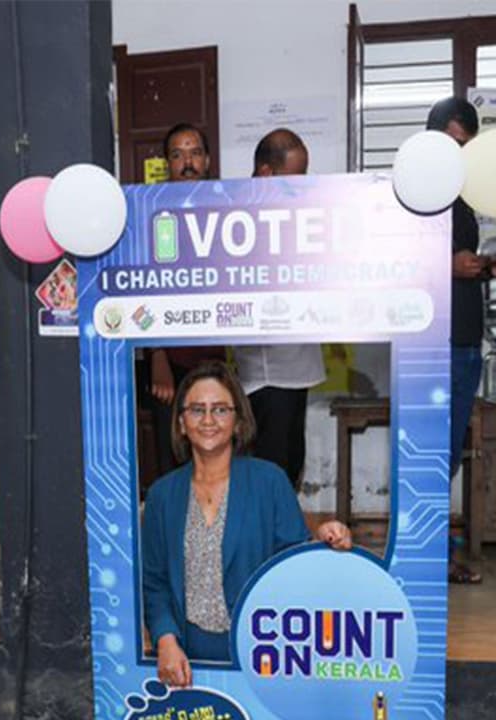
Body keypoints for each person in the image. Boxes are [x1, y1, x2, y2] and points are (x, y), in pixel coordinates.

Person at [142, 361, 353, 684]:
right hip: (186, 657)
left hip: (261, 654)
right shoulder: (161, 495)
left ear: (238, 421)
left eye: (221, 410)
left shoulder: (270, 481)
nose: (209, 420)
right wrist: (165, 640)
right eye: (197, 410)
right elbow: (154, 582)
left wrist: (325, 540)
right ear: (182, 422)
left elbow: (295, 563)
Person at [426, 98, 496, 585]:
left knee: (447, 456)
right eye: (455, 144)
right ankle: (429, 558)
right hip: (429, 348)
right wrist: (451, 265)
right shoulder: (414, 195)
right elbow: (398, 265)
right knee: (429, 458)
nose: (460, 157)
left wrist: (486, 269)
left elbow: (461, 265)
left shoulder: (463, 200)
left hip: (464, 342)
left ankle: (435, 554)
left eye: (468, 149)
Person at [231, 129, 325, 492]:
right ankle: (269, 544)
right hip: (268, 370)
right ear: (267, 174)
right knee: (271, 469)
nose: (302, 186)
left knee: (291, 464)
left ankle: (283, 539)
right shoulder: (239, 215)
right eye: (296, 177)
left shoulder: (300, 213)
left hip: (298, 362)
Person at [145, 123, 226, 482]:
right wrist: (158, 355)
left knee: (215, 450)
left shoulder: (226, 209)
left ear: (207, 160)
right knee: (173, 454)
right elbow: (143, 288)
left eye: (194, 153)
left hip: (213, 354)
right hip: (170, 360)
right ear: (167, 164)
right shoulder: (150, 213)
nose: (187, 162)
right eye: (178, 155)